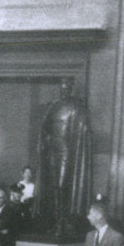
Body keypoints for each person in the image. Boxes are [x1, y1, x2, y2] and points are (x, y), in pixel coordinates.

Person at [36, 77, 93, 235]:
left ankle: (63, 221)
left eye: (67, 88)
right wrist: (44, 142)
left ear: (71, 89)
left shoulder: (76, 108)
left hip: (68, 153)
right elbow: (44, 128)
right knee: (52, 187)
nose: (64, 90)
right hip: (53, 152)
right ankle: (55, 220)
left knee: (62, 186)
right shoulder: (54, 106)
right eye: (62, 88)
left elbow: (83, 130)